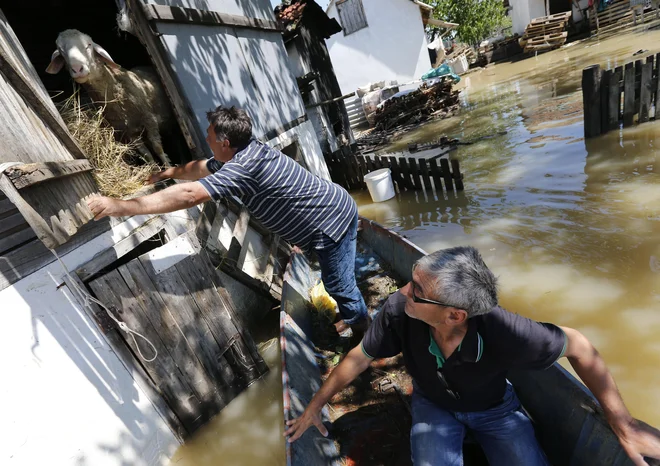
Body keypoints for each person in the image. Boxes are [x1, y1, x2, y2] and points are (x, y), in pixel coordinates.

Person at [285, 246, 660, 466]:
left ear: (455, 315)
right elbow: (358, 357)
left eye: (416, 290)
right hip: (433, 406)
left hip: (496, 408)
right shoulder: (400, 310)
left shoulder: (506, 331)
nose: (402, 292)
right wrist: (315, 406)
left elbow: (579, 346)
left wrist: (622, 422)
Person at [87, 106, 369, 334]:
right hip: (329, 210)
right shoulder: (243, 152)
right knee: (338, 277)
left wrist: (121, 205)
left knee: (337, 285)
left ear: (224, 142)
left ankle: (365, 337)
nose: (207, 138)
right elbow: (200, 168)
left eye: (209, 135)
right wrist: (166, 172)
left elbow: (189, 194)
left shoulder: (243, 167)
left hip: (331, 222)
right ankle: (353, 314)